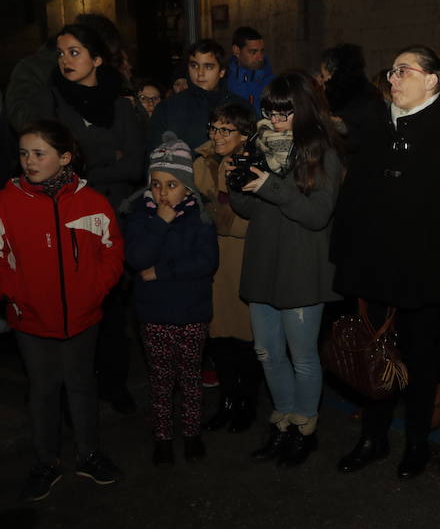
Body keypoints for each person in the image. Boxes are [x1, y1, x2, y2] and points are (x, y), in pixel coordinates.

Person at [331, 45, 440, 480]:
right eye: (390, 71)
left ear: (431, 80)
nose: (393, 78)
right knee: (375, 354)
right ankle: (373, 436)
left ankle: (417, 442)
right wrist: (349, 255)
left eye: (403, 71)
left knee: (422, 361)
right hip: (376, 272)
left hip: (427, 275)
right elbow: (353, 201)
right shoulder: (376, 129)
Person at [1, 120, 125, 502]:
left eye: (39, 153)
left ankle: (88, 454)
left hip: (82, 317)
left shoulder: (91, 202)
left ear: (65, 157)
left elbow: (112, 251)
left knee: (81, 386)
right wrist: (19, 295)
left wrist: (94, 291)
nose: (29, 161)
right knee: (42, 390)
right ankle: (46, 461)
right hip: (31, 320)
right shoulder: (8, 202)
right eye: (24, 153)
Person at [227, 72, 343, 468]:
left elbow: (316, 215)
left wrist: (270, 187)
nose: (275, 121)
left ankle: (304, 427)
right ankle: (283, 419)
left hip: (301, 268)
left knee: (302, 356)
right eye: (270, 112)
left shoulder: (321, 152)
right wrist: (236, 183)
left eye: (285, 113)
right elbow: (247, 210)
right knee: (267, 352)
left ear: (304, 109)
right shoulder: (260, 145)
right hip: (264, 264)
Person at [37, 23, 144, 414]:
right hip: (66, 218)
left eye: (75, 52)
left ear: (97, 59)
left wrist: (86, 169)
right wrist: (105, 161)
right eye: (62, 53)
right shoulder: (52, 102)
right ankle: (71, 393)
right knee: (71, 307)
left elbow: (134, 165)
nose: (65, 60)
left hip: (111, 217)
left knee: (112, 305)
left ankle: (114, 384)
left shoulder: (120, 102)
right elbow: (51, 167)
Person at [124, 133, 218, 466]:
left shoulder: (201, 218)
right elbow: (136, 257)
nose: (163, 193)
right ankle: (162, 437)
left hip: (191, 313)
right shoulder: (140, 217)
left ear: (188, 187)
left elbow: (205, 262)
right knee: (161, 381)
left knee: (190, 378)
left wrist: (161, 272)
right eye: (157, 184)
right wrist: (160, 224)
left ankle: (192, 433)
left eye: (172, 185)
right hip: (154, 315)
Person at [194, 103, 261, 433]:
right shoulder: (200, 160)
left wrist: (217, 215)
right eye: (214, 128)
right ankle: (228, 400)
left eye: (226, 129)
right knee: (218, 335)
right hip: (211, 259)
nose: (217, 135)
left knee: (246, 337)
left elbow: (249, 220)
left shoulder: (252, 163)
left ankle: (247, 402)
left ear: (245, 135)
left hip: (243, 257)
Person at [150, 39, 250, 151]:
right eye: (194, 65)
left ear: (222, 72)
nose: (200, 73)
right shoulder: (168, 108)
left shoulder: (240, 106)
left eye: (208, 67)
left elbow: (251, 148)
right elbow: (155, 155)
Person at [319, 43, 389, 158]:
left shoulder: (348, 99)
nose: (322, 81)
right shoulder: (367, 93)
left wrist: (343, 127)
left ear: (334, 73)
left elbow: (366, 140)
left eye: (323, 75)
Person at [227, 26, 274, 114]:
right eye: (253, 52)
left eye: (262, 51)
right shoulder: (223, 81)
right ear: (236, 50)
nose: (260, 58)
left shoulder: (273, 83)